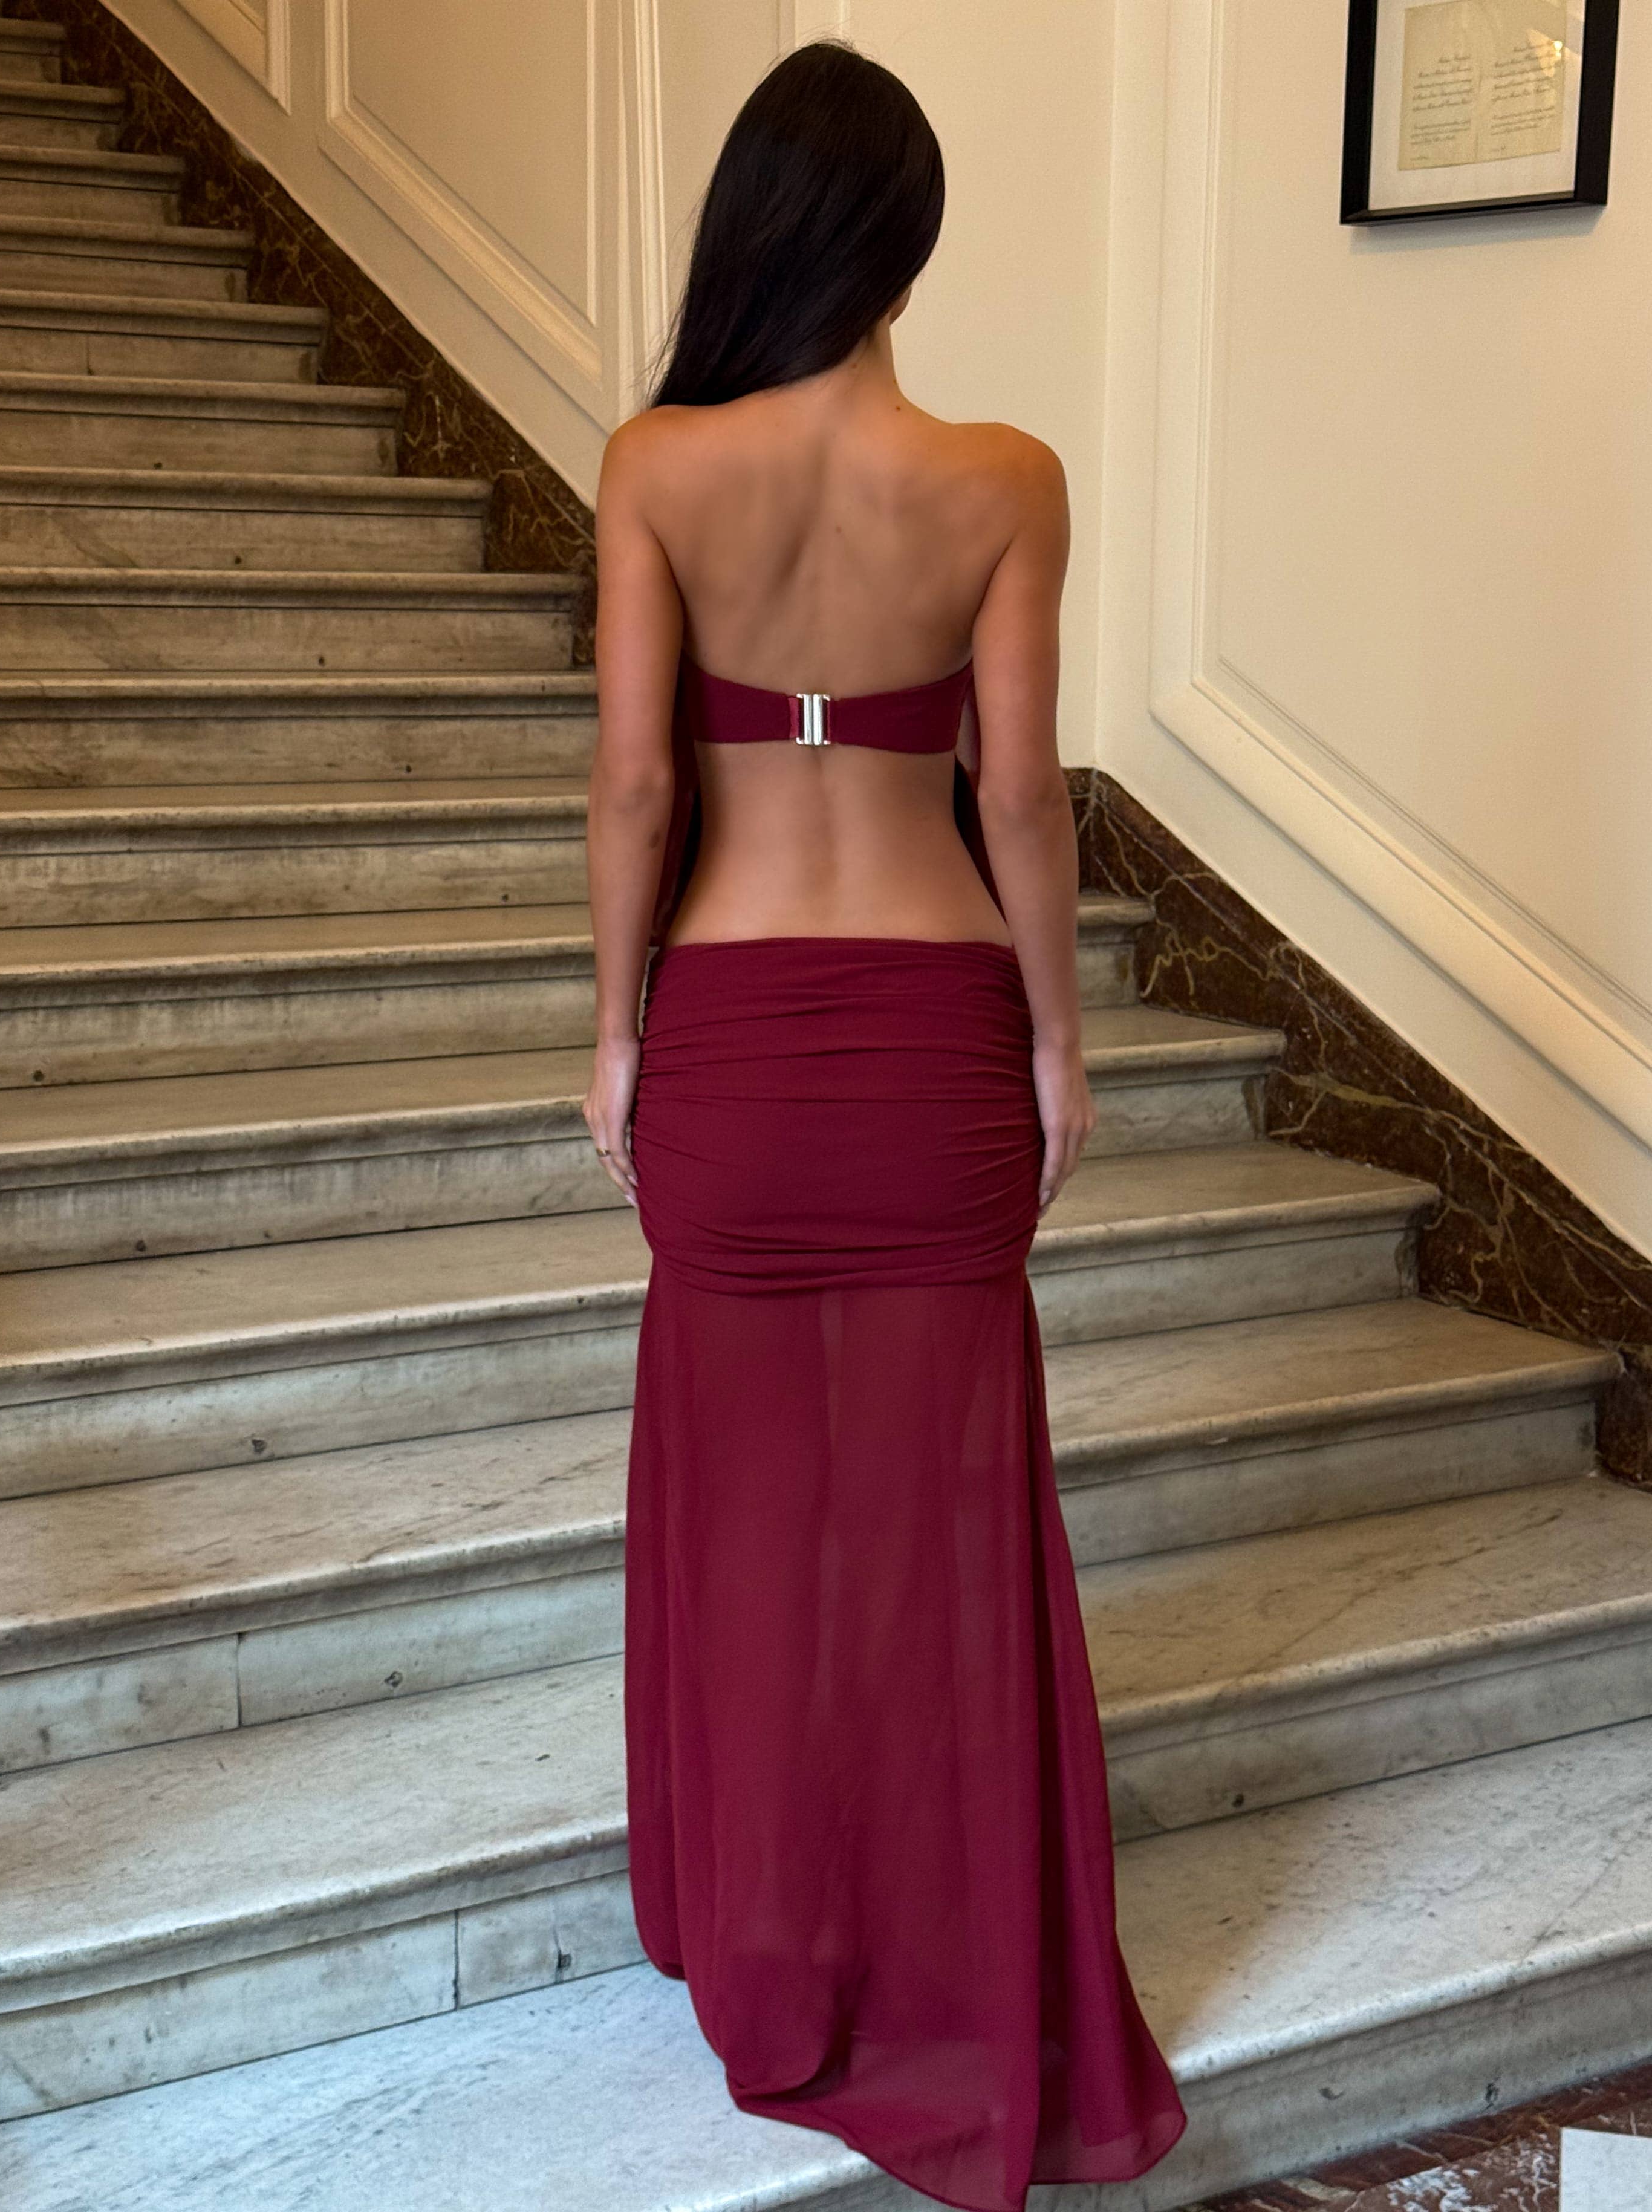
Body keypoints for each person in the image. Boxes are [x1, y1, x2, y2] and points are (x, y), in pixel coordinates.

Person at [582, 41, 1187, 2212]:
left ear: (754, 226)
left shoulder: (657, 463)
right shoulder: (1005, 474)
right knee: (939, 1514)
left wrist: (615, 1035)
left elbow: (637, 784)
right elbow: (1017, 793)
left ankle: (772, 1938)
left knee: (753, 1513)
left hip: (737, 1047)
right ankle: (948, 1945)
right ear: (908, 242)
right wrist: (1058, 1045)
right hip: (934, 1042)